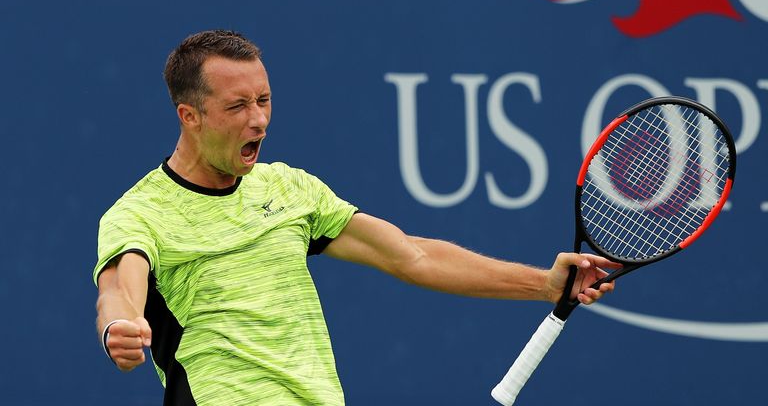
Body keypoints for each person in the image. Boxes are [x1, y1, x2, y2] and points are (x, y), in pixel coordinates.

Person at [93, 29, 618, 406]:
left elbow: (412, 255)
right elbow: (120, 286)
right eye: (237, 107)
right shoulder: (141, 213)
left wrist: (544, 286)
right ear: (190, 116)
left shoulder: (290, 188)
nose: (259, 120)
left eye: (264, 100)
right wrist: (119, 325)